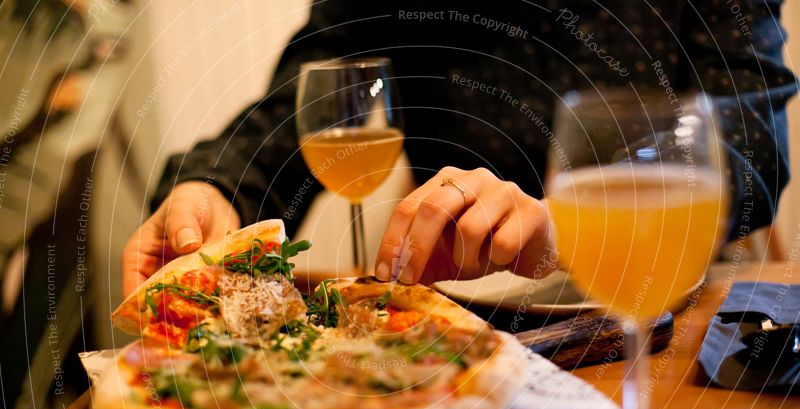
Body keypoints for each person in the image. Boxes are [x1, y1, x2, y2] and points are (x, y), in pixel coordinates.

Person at [122, 0, 796, 296]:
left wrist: (578, 225)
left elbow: (751, 144)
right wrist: (218, 189)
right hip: (464, 317)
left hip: (672, 301)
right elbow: (316, 95)